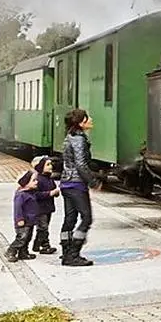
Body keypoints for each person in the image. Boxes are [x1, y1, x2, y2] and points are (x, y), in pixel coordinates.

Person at [59, 109, 100, 266]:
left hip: (66, 182)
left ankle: (66, 252)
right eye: (87, 118)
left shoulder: (69, 136)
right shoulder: (79, 139)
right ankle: (73, 254)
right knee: (86, 218)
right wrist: (93, 182)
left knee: (70, 219)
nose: (91, 119)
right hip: (76, 184)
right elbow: (81, 164)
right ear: (81, 123)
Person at [8, 170, 40, 263]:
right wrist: (19, 219)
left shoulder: (31, 193)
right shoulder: (21, 195)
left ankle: (23, 253)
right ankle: (11, 251)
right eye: (33, 180)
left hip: (30, 221)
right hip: (23, 221)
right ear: (26, 183)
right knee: (21, 238)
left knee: (27, 238)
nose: (36, 182)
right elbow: (18, 208)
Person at [31, 156, 60, 254]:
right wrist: (50, 193)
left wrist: (56, 193)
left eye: (50, 164)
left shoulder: (49, 179)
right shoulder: (38, 180)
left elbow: (53, 189)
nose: (51, 166)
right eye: (48, 165)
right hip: (40, 209)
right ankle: (45, 246)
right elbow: (36, 195)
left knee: (43, 228)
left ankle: (37, 244)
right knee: (43, 228)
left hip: (48, 208)